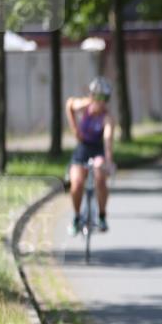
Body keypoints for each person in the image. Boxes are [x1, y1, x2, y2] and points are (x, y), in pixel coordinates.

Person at [66, 77, 115, 234]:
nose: (101, 102)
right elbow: (69, 105)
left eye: (105, 98)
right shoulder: (83, 106)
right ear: (92, 96)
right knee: (76, 184)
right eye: (98, 97)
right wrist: (75, 129)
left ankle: (101, 216)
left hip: (98, 149)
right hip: (82, 148)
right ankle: (76, 217)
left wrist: (108, 160)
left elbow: (107, 139)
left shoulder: (107, 118)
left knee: (100, 177)